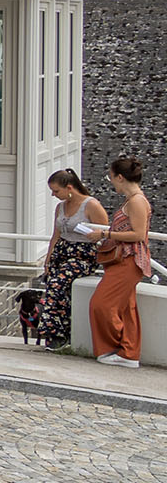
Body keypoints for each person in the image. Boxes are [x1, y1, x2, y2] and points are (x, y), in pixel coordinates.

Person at [35, 167, 107, 350]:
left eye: (56, 191)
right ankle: (58, 331)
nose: (53, 195)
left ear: (69, 188)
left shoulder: (91, 205)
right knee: (53, 282)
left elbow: (105, 233)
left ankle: (58, 333)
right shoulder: (60, 207)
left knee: (58, 284)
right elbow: (56, 235)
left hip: (82, 254)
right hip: (62, 251)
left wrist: (95, 237)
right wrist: (48, 260)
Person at [91, 155, 151, 368]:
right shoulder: (133, 200)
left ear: (119, 177)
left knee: (101, 304)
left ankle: (115, 347)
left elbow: (138, 234)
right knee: (126, 308)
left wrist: (106, 235)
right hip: (127, 259)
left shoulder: (136, 201)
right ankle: (128, 353)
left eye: (111, 178)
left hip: (129, 259)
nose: (111, 182)